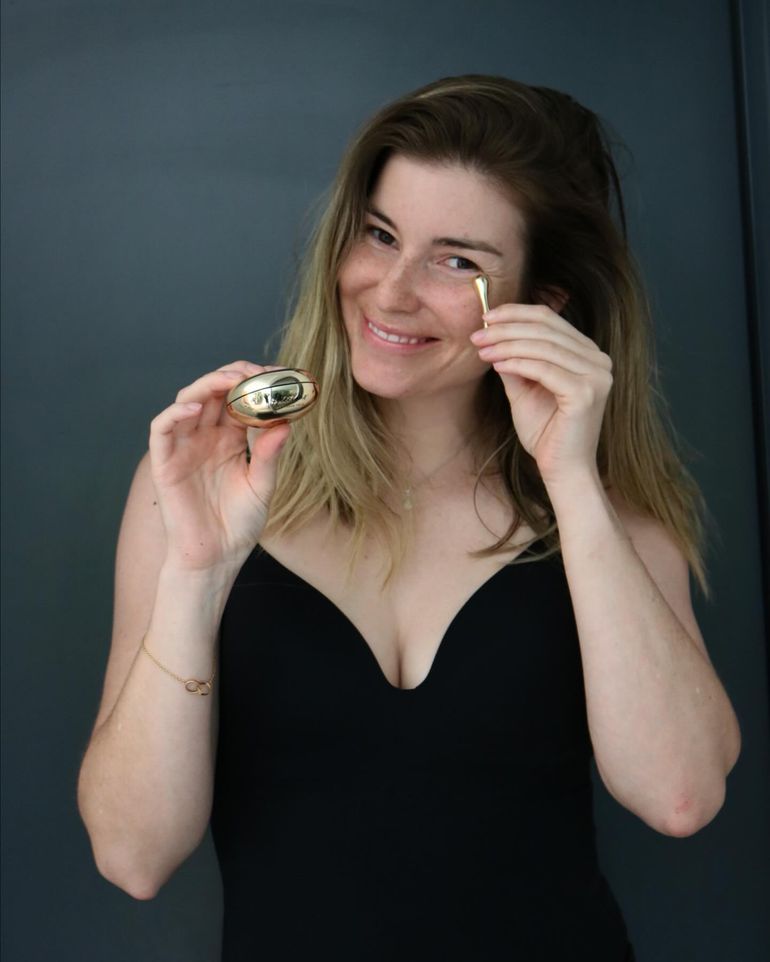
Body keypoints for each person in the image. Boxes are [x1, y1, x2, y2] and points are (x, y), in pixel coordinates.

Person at [77, 75, 741, 961]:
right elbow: (133, 855)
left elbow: (680, 796)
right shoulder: (199, 484)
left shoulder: (607, 511)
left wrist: (572, 482)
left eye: (456, 260)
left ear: (542, 305)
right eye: (380, 235)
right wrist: (197, 574)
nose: (390, 292)